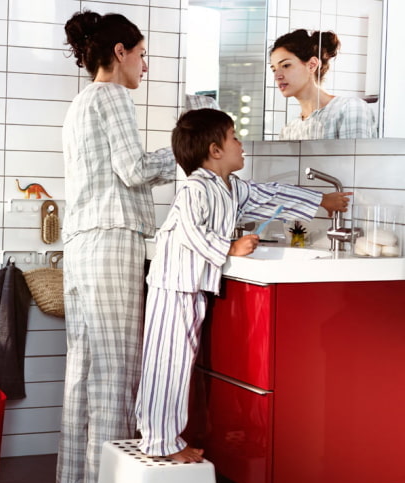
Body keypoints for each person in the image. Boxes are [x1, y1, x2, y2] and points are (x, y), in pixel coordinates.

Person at [135, 108, 352, 462]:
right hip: (173, 285)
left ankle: (162, 438)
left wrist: (321, 201)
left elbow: (271, 195)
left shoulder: (231, 188)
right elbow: (191, 232)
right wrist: (230, 247)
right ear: (214, 150)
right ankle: (160, 442)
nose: (241, 144)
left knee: (178, 363)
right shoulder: (195, 188)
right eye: (234, 137)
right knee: (167, 363)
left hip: (192, 286)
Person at [58, 10, 178, 483]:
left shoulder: (80, 103)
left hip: (83, 243)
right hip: (112, 241)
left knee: (85, 363)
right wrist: (188, 147)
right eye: (143, 54)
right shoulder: (114, 97)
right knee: (117, 369)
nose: (145, 65)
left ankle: (80, 481)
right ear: (121, 52)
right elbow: (133, 170)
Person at [270, 28, 377, 140]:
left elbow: (357, 157)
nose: (277, 76)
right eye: (274, 69)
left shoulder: (349, 108)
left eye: (286, 65)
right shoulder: (289, 130)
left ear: (312, 65)